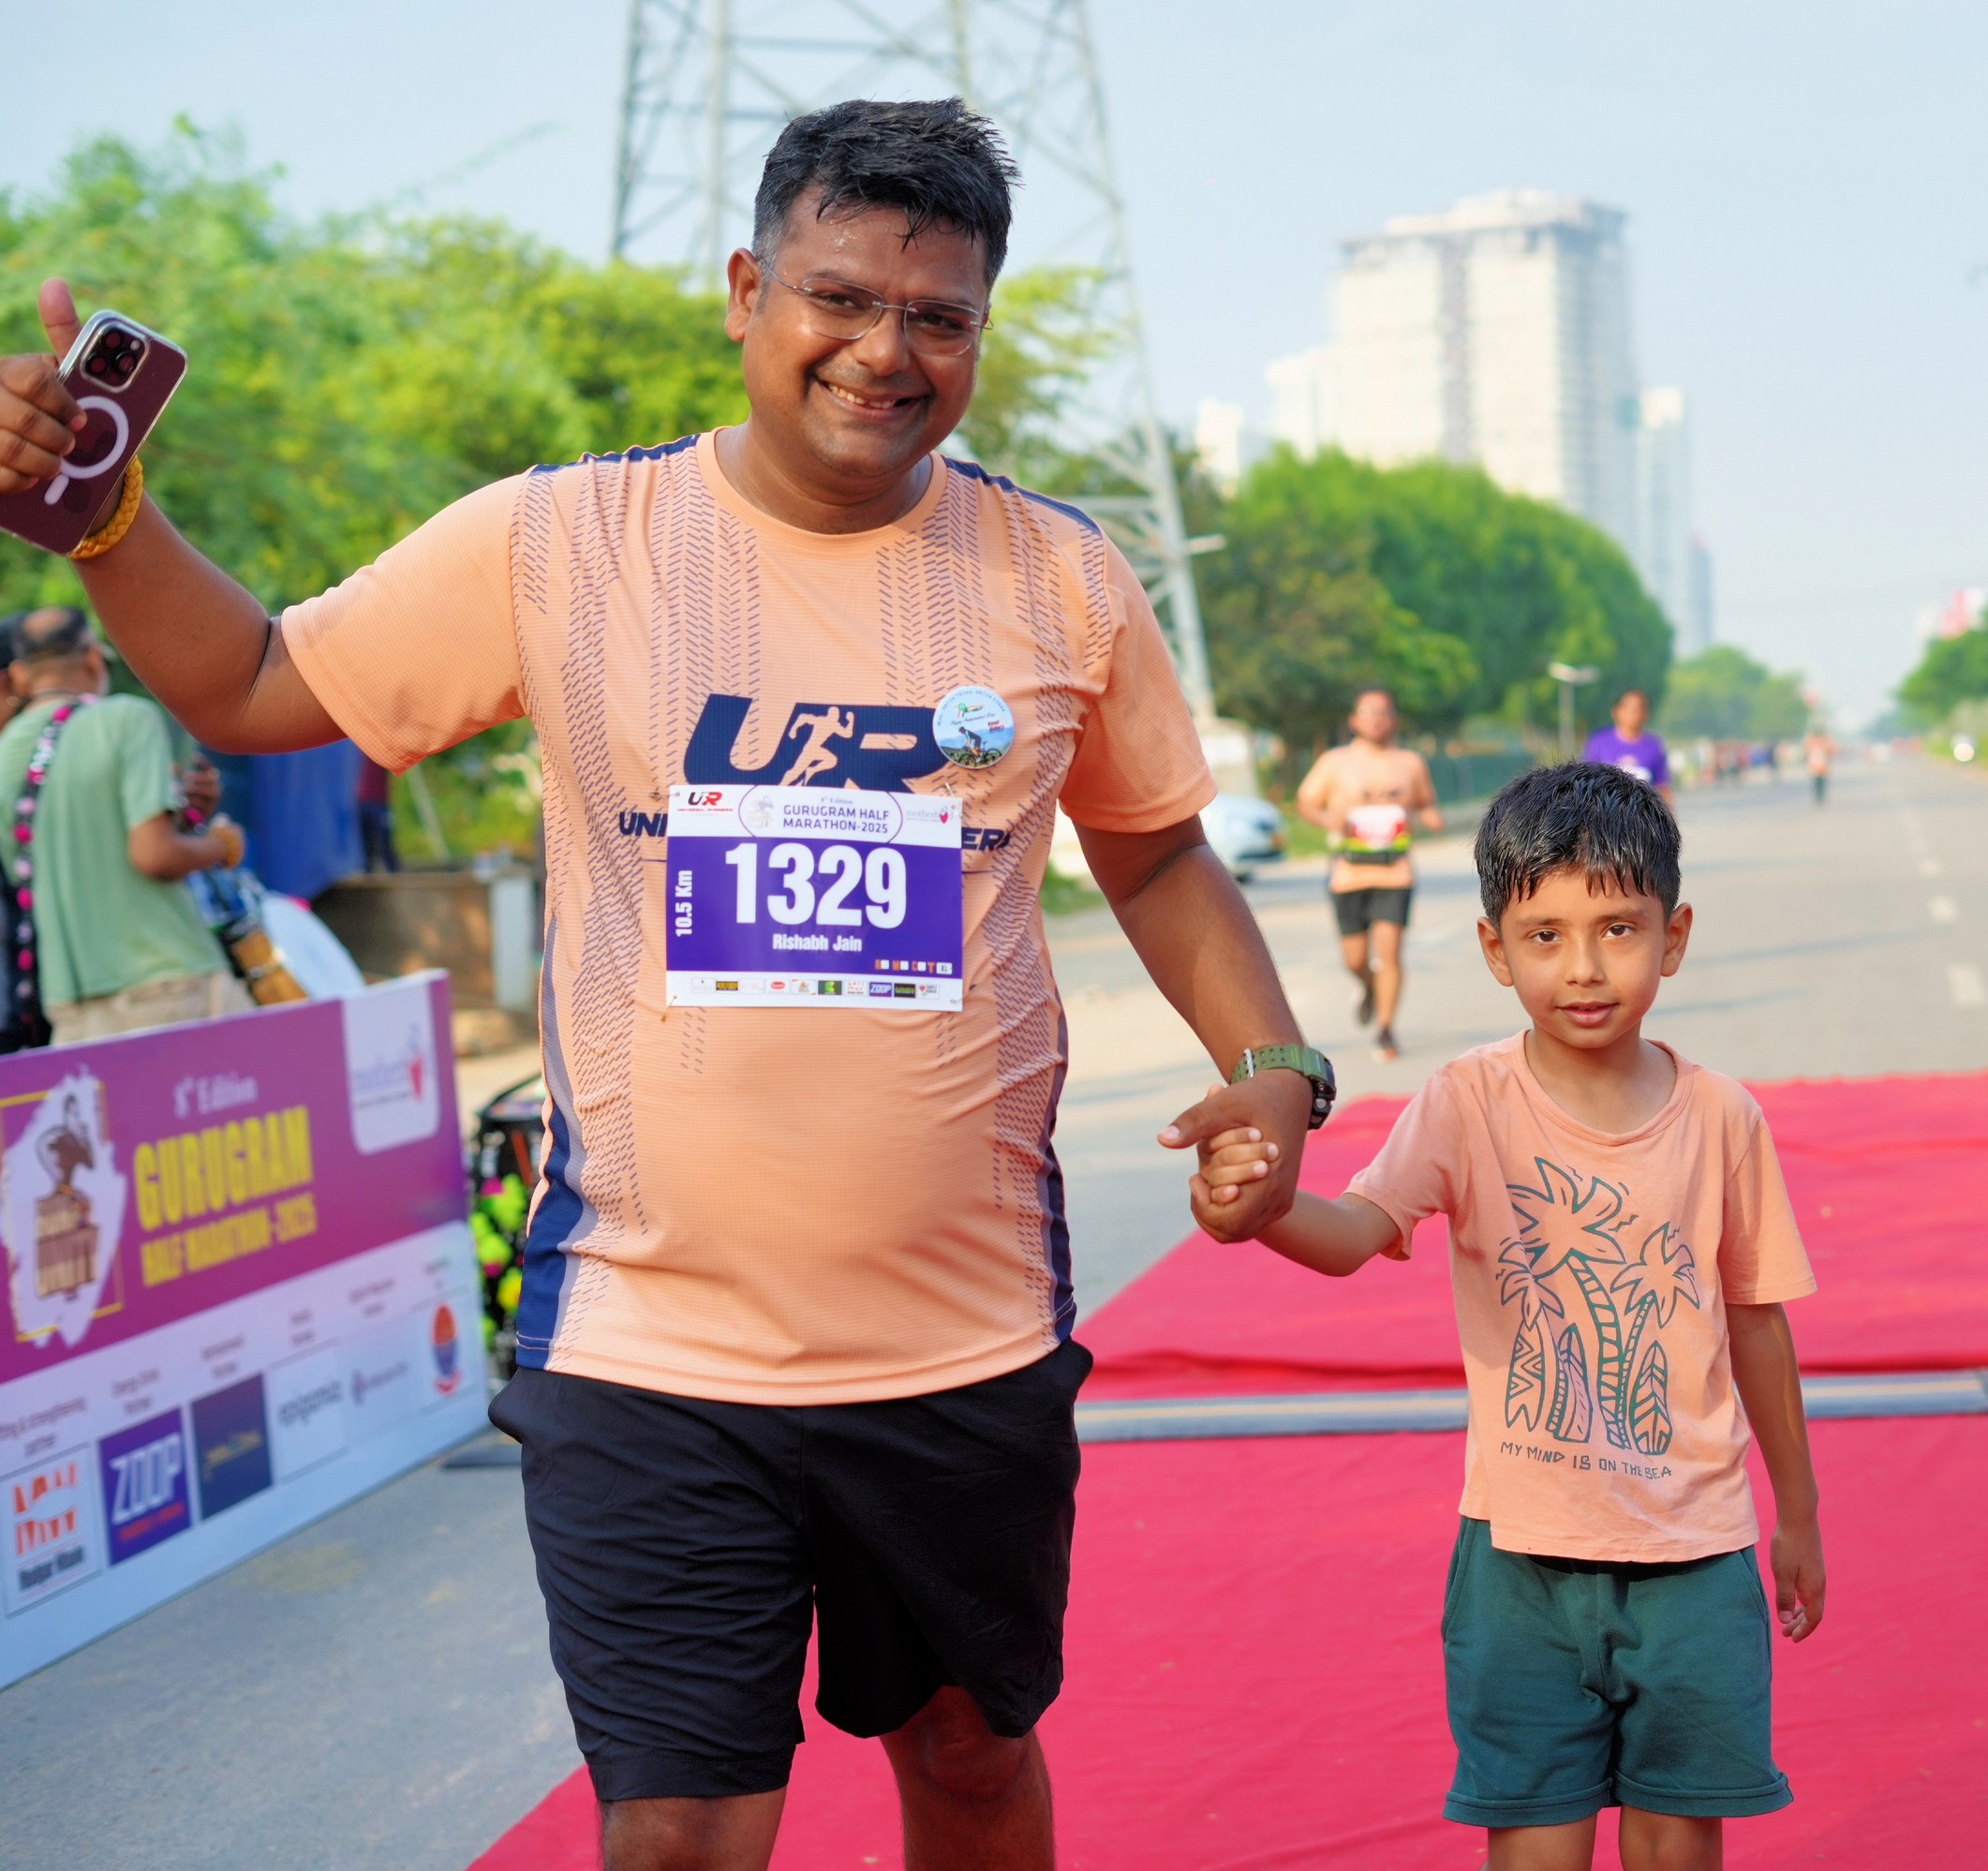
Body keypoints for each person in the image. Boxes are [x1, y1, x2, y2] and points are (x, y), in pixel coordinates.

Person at [0, 99, 1329, 1871]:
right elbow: (251, 679)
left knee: (968, 1754)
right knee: (681, 1820)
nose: (884, 352)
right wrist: (105, 523)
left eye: (938, 316)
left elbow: (1154, 851)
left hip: (965, 1337)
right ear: (744, 292)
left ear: (979, 329)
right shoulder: (564, 542)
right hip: (646, 1337)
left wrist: (1276, 1062)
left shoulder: (1061, 575)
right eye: (838, 298)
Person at [1186, 763, 1826, 1871]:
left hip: (1695, 1551)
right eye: (1544, 935)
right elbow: (1355, 1230)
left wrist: (1798, 1514)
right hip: (1518, 1563)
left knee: (1679, 1836)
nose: (1582, 967)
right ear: (1495, 948)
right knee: (1534, 1839)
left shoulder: (1724, 1117)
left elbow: (1757, 1322)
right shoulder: (1467, 1100)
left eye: (1617, 929)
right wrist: (1260, 1207)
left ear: (1672, 937)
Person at [0, 606, 244, 1046]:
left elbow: (45, 863)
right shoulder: (127, 719)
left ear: (20, 676)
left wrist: (182, 816)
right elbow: (153, 854)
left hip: (72, 1006)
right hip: (169, 981)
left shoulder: (6, 753)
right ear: (93, 658)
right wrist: (222, 845)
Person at [1296, 685, 1442, 1062]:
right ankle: (1369, 985)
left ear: (1394, 720)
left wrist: (1431, 818)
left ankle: (1386, 1030)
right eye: (1368, 713)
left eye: (1383, 713)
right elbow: (1306, 802)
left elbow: (1426, 803)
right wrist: (1329, 820)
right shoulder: (1335, 762)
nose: (1376, 720)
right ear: (1354, 720)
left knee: (1389, 951)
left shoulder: (1410, 762)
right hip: (1349, 872)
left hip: (1395, 871)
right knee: (1355, 958)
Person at [1580, 687, 1671, 796]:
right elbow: (1586, 781)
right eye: (1631, 708)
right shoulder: (1599, 742)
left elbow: (1662, 786)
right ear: (1616, 711)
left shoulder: (1654, 747)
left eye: (1641, 709)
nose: (1636, 713)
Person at [1803, 727, 1834, 808]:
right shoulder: (1821, 741)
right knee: (1819, 782)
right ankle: (1820, 796)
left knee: (1818, 782)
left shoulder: (1812, 741)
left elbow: (1831, 750)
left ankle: (1819, 796)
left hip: (1818, 765)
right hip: (1818, 765)